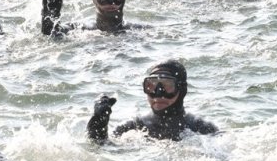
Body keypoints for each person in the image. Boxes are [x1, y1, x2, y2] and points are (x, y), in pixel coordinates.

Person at [86, 59, 218, 143]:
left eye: (167, 86)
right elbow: (101, 150)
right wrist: (98, 123)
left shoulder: (201, 128)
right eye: (152, 86)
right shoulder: (133, 127)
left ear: (182, 90)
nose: (158, 94)